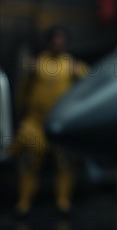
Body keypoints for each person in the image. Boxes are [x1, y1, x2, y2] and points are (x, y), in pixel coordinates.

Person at [10, 25, 87, 216]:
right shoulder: (35, 63)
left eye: (62, 39)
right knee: (30, 158)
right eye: (55, 38)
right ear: (49, 41)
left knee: (65, 161)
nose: (58, 42)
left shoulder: (72, 65)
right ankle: (24, 202)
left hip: (61, 123)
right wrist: (19, 112)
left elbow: (88, 87)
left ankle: (63, 202)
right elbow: (22, 91)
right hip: (36, 121)